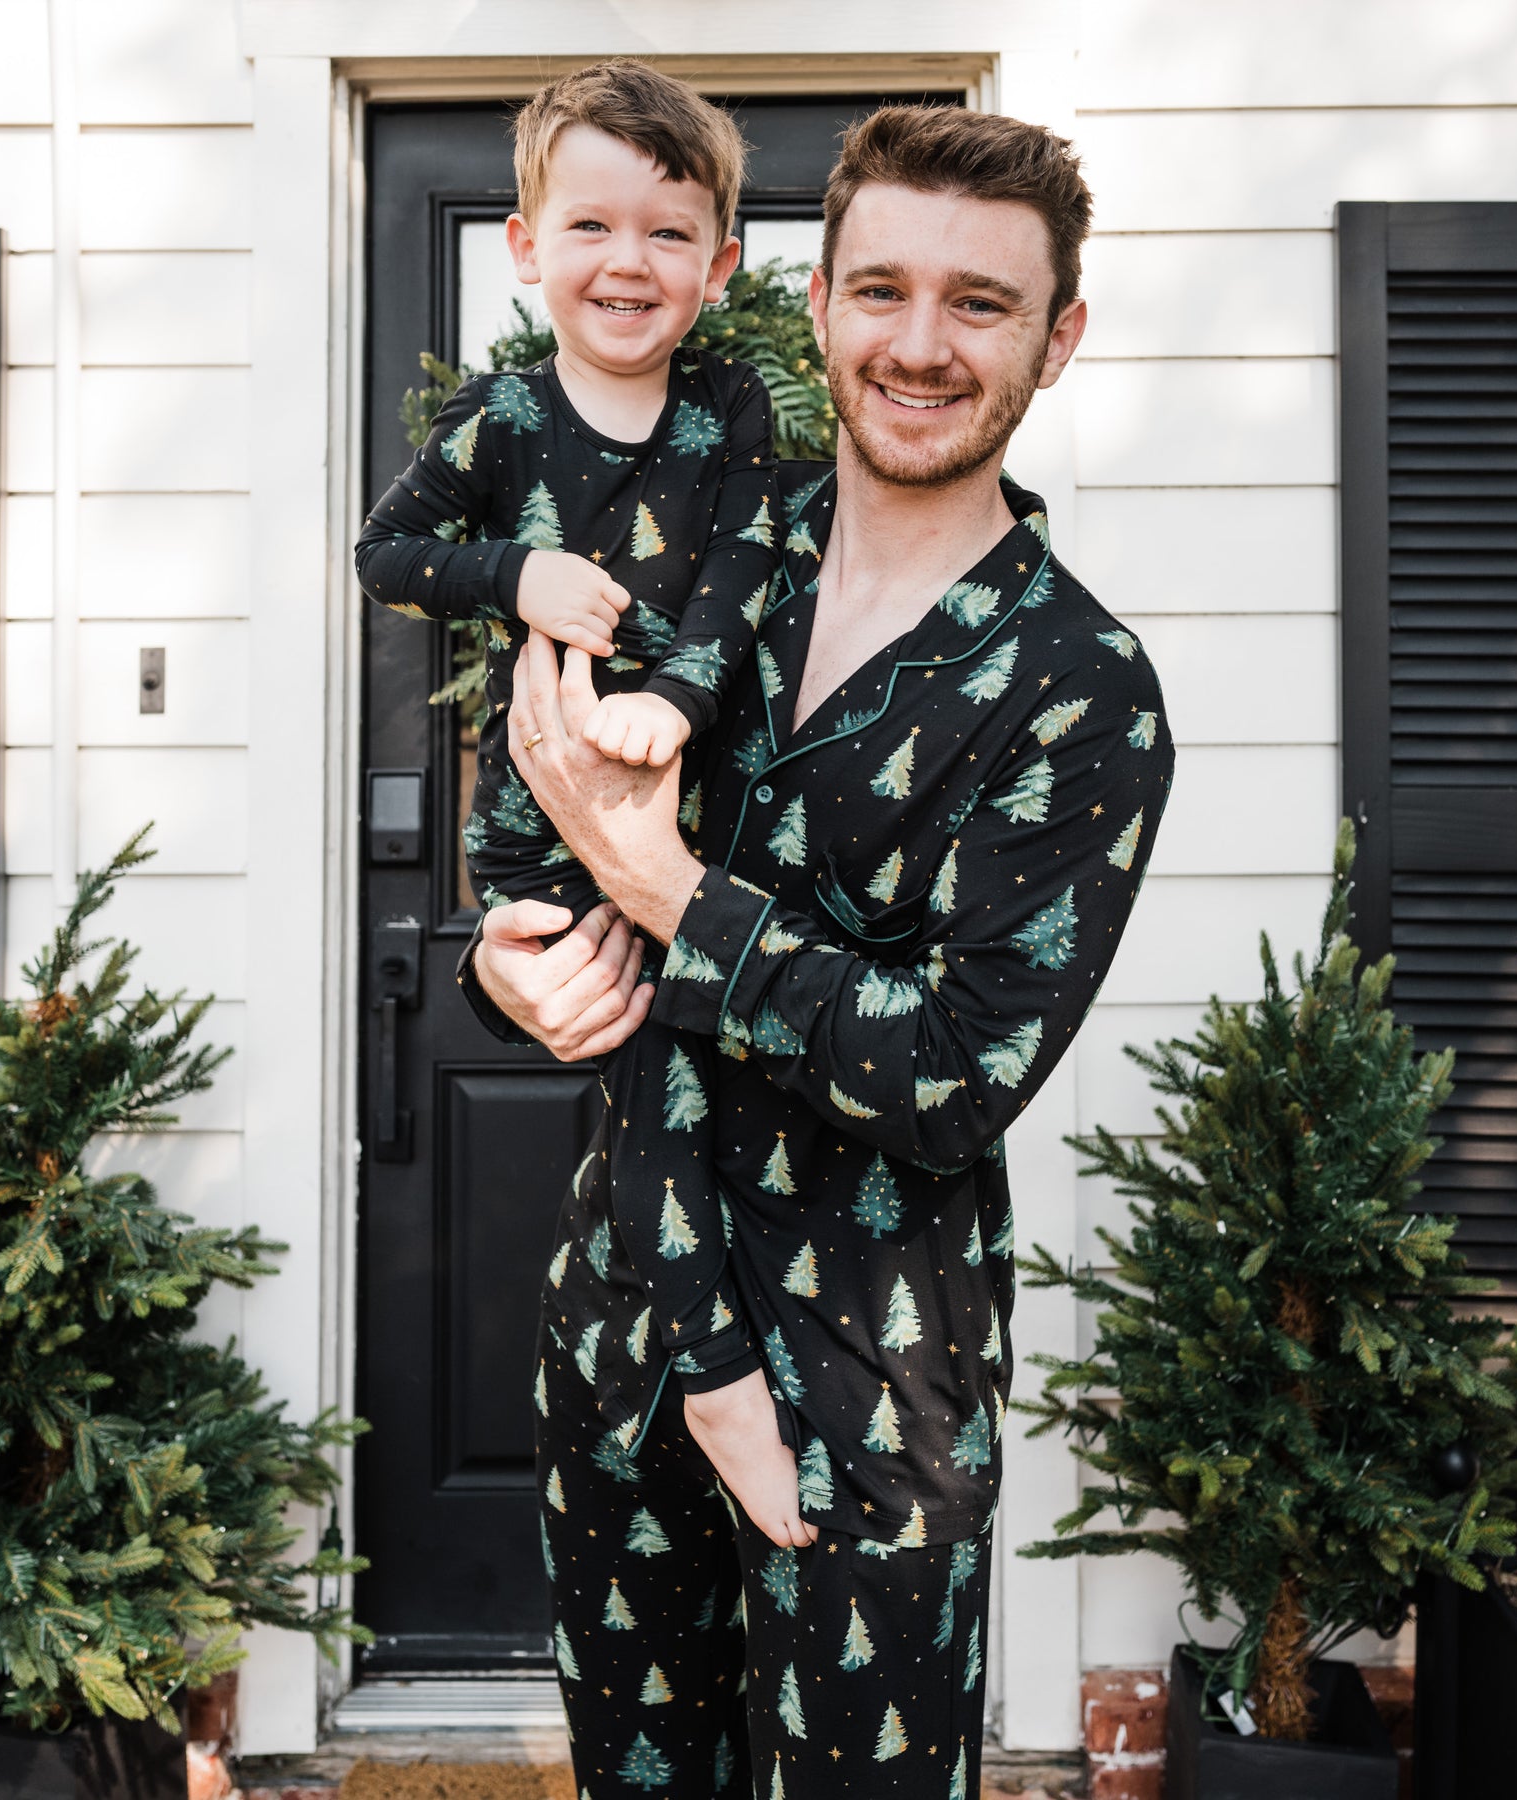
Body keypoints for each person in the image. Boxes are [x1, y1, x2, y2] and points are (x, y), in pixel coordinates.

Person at [467, 105, 1176, 1799]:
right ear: (818, 303)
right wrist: (520, 949)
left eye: (982, 305)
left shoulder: (1084, 693)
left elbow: (944, 1076)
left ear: (1058, 337)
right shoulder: (702, 548)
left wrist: (669, 893)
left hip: (871, 1385)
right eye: (883, 290)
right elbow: (547, 847)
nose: (919, 347)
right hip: (630, 1319)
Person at [355, 61, 779, 1444]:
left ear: (717, 266)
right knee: (633, 1070)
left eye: (667, 234)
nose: (627, 261)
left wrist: (682, 706)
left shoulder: (733, 414)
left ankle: (707, 1374)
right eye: (591, 227)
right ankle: (699, 1383)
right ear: (528, 247)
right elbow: (386, 553)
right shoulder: (504, 421)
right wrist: (517, 573)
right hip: (544, 823)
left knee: (707, 1078)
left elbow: (741, 581)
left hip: (698, 813)